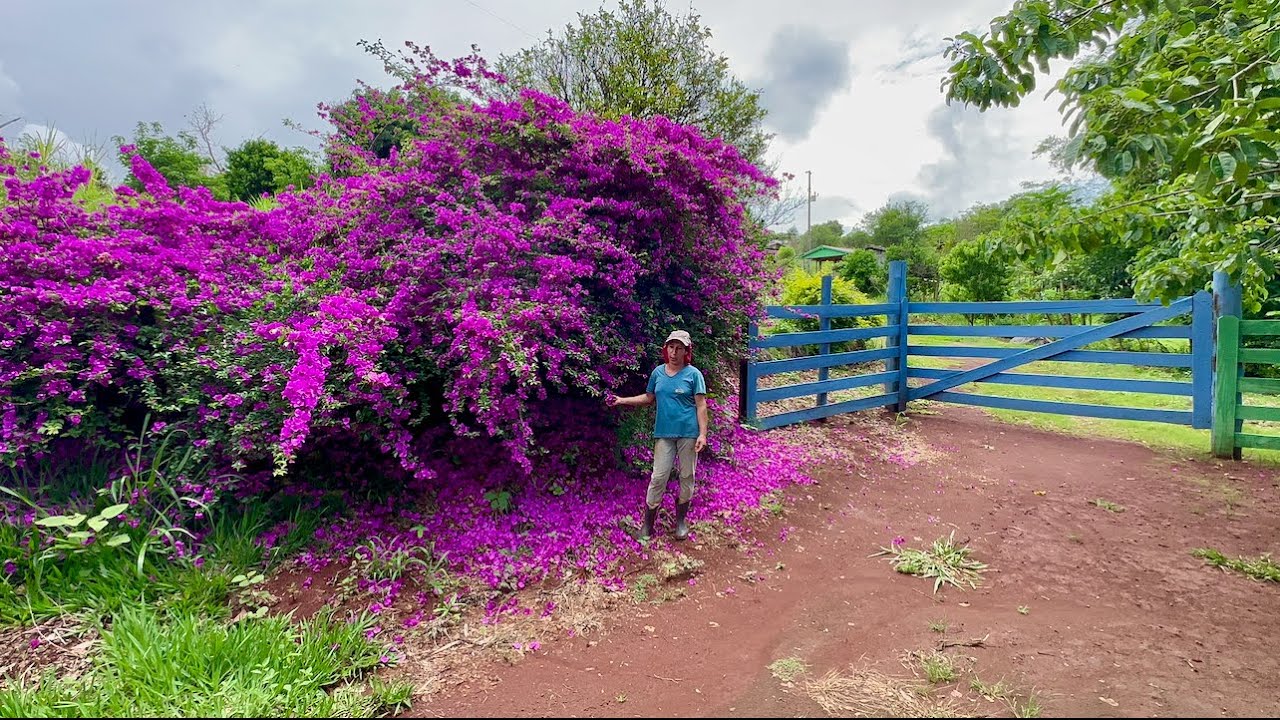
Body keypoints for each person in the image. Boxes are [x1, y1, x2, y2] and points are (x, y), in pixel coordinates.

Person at [607, 330, 708, 541]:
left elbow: (701, 406)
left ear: (686, 351)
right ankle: (647, 526)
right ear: (666, 349)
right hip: (664, 434)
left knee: (687, 476)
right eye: (671, 347)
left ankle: (680, 522)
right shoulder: (658, 373)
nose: (674, 352)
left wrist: (702, 434)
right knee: (658, 477)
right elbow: (648, 397)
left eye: (679, 348)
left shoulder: (694, 375)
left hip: (688, 434)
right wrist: (621, 400)